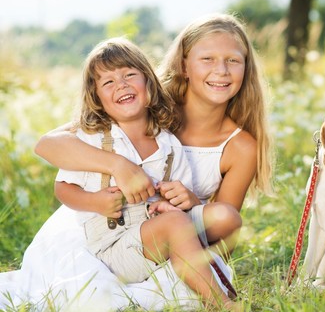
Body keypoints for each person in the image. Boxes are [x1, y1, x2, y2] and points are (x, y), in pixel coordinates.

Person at [35, 14, 272, 260]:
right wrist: (119, 166)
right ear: (184, 66)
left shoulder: (240, 147)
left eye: (233, 60)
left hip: (173, 239)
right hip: (107, 224)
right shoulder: (149, 106)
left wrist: (192, 203)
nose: (221, 71)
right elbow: (48, 145)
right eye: (207, 59)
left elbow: (224, 237)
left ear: (246, 67)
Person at [56, 36, 236, 309]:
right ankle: (221, 303)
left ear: (148, 84)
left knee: (220, 217)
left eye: (130, 75)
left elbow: (183, 206)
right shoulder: (93, 139)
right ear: (96, 97)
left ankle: (196, 272)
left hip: (151, 236)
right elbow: (63, 188)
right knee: (176, 225)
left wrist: (176, 200)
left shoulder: (168, 144)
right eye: (109, 82)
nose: (122, 85)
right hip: (112, 246)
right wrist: (95, 202)